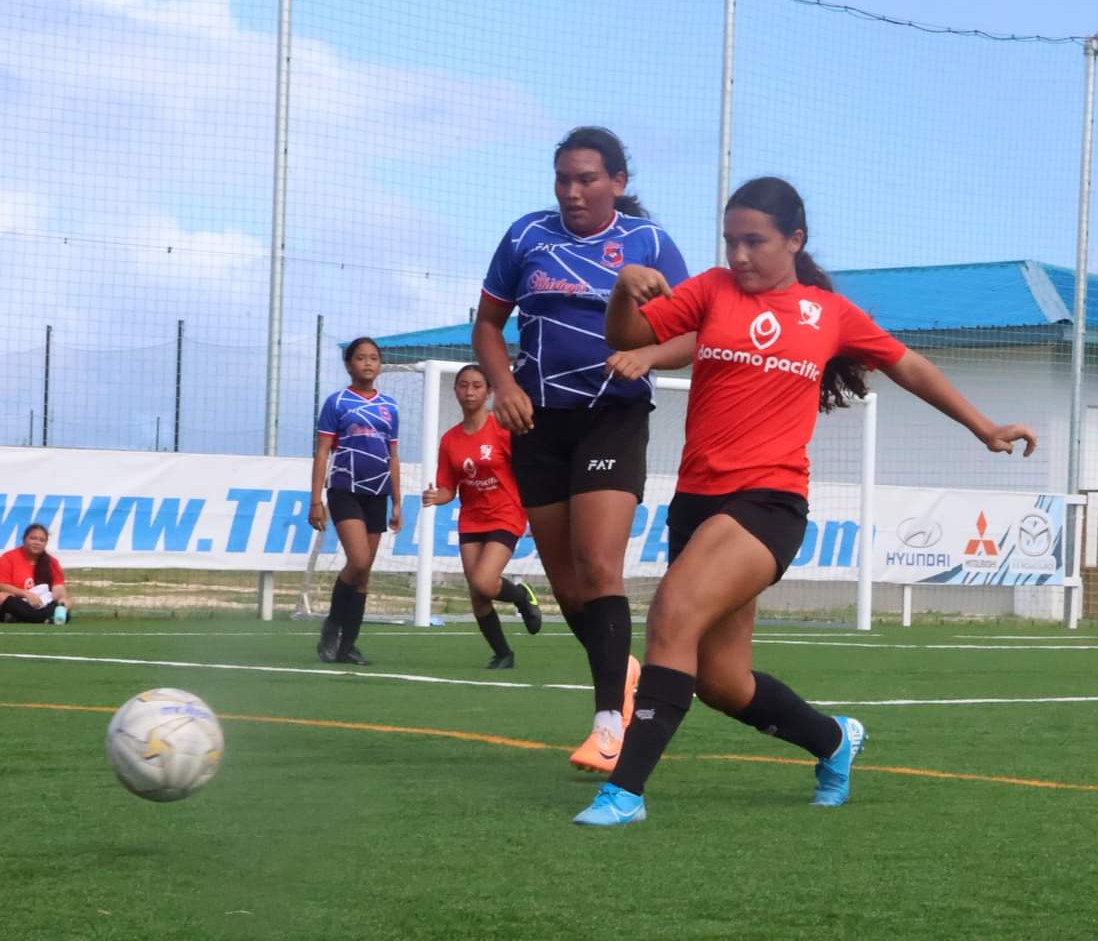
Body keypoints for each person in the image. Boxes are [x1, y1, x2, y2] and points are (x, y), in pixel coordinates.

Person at [574, 176, 1038, 826]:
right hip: (696, 503)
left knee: (672, 611)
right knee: (723, 683)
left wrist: (983, 426)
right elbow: (627, 339)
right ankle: (833, 741)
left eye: (754, 241)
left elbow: (910, 367)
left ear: (794, 240)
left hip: (770, 503)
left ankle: (624, 792)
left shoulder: (829, 315)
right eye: (730, 240)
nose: (738, 255)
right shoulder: (709, 291)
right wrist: (625, 292)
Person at [472, 126, 695, 773]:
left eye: (587, 179)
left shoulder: (649, 244)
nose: (573, 192)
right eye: (563, 179)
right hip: (536, 422)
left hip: (612, 416)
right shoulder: (524, 237)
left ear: (618, 183)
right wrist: (503, 387)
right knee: (569, 587)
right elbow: (487, 324)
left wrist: (647, 354)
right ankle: (618, 671)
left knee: (599, 566)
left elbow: (693, 331)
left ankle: (608, 726)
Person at [421, 364, 544, 668]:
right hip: (471, 519)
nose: (469, 391)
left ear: (489, 391)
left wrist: (533, 510)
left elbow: (527, 471)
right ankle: (503, 654)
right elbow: (449, 487)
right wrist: (438, 496)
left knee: (485, 582)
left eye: (477, 385)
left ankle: (521, 596)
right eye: (463, 385)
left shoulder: (502, 429)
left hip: (505, 514)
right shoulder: (450, 440)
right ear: (456, 391)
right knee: (477, 594)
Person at [309, 337, 403, 665]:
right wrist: (315, 500)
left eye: (374, 358)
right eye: (361, 358)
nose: (367, 363)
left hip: (378, 493)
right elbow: (322, 451)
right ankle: (331, 625)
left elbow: (393, 456)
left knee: (364, 573)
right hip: (344, 489)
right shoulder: (337, 403)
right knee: (359, 561)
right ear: (349, 364)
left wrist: (398, 502)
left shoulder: (389, 407)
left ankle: (347, 646)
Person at [0, 523, 72, 624]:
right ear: (24, 539)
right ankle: (45, 618)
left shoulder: (52, 562)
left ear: (45, 544)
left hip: (41, 603)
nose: (37, 542)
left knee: (67, 602)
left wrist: (62, 602)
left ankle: (22, 617)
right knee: (2, 596)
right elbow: (2, 585)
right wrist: (25, 594)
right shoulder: (8, 558)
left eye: (42, 540)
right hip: (18, 600)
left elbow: (58, 589)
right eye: (33, 538)